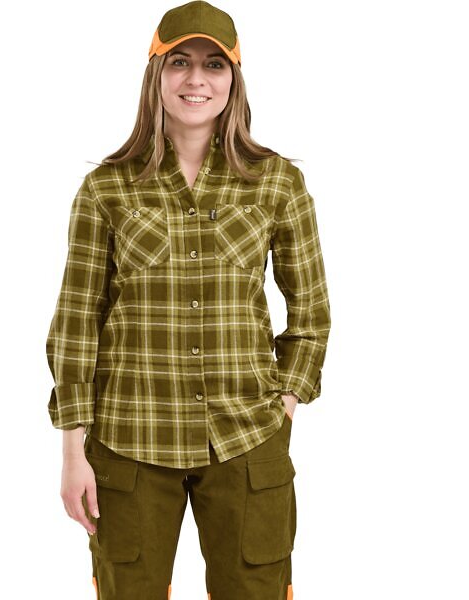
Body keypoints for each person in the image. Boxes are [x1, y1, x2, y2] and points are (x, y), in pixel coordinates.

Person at [45, 1, 331, 598]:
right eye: (179, 62)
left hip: (246, 440)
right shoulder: (106, 188)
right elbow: (76, 323)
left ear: (234, 79)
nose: (196, 79)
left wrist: (283, 407)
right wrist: (73, 452)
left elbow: (310, 313)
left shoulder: (278, 182)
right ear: (156, 73)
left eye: (213, 64)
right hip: (128, 441)